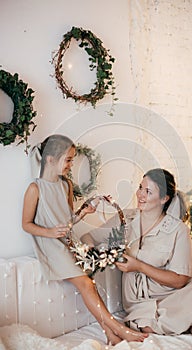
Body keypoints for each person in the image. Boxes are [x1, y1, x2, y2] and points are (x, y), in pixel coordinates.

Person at [22, 134, 148, 345]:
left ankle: (109, 333)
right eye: (68, 160)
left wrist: (84, 212)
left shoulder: (66, 185)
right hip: (50, 245)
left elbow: (68, 219)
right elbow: (26, 224)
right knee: (86, 284)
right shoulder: (35, 189)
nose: (71, 165)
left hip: (69, 242)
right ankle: (118, 328)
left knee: (90, 283)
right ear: (51, 159)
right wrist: (51, 232)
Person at [114, 168, 192, 350]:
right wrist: (99, 253)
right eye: (140, 187)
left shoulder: (178, 230)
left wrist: (138, 266)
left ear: (164, 199)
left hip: (182, 294)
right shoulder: (126, 219)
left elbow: (180, 280)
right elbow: (90, 238)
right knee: (147, 328)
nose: (140, 195)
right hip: (143, 302)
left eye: (148, 191)